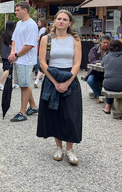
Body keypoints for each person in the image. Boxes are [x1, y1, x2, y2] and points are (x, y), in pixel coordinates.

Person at [37, 9, 82, 165]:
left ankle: (70, 149)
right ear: (54, 21)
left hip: (70, 77)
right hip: (52, 77)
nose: (61, 21)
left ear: (70, 23)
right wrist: (55, 82)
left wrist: (68, 82)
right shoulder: (46, 39)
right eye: (58, 18)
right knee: (54, 113)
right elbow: (42, 62)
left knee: (71, 115)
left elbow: (77, 63)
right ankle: (59, 147)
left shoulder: (75, 40)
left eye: (64, 19)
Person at [8, 1, 39, 122]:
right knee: (23, 84)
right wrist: (12, 52)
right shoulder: (19, 23)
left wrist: (16, 54)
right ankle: (33, 106)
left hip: (26, 59)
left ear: (25, 10)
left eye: (17, 10)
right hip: (18, 58)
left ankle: (23, 112)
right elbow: (14, 39)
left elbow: (30, 45)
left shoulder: (31, 25)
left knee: (24, 85)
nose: (16, 12)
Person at [86, 35, 111, 103]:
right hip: (95, 71)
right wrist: (101, 62)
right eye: (104, 42)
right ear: (100, 42)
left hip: (107, 72)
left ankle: (108, 97)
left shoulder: (110, 51)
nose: (106, 44)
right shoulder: (94, 50)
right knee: (90, 80)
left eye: (108, 43)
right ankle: (98, 94)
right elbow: (91, 60)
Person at [0, 21, 16, 91]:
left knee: (7, 68)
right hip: (9, 54)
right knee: (8, 69)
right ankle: (0, 83)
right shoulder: (13, 34)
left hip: (4, 54)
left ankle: (12, 83)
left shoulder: (4, 33)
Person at [34, 23, 51, 88]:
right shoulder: (49, 36)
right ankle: (43, 79)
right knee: (46, 67)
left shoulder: (43, 35)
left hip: (43, 52)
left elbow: (39, 44)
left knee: (41, 68)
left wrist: (39, 54)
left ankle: (37, 80)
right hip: (48, 52)